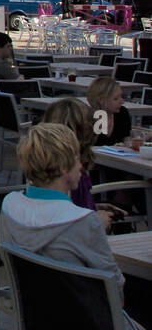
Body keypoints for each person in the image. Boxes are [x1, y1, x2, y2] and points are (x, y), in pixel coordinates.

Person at [0, 122, 144, 330]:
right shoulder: (83, 222)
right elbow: (115, 291)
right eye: (77, 159)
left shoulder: (9, 207)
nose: (81, 167)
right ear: (64, 168)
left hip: (43, 323)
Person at [41, 97, 125, 230]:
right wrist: (97, 220)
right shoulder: (71, 174)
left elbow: (69, 209)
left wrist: (95, 206)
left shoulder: (42, 164)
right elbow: (68, 224)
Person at [88, 75, 132, 147]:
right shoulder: (88, 118)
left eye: (121, 96)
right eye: (116, 99)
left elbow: (126, 138)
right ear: (101, 100)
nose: (122, 101)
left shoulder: (123, 113)